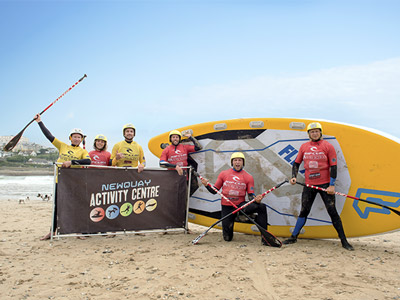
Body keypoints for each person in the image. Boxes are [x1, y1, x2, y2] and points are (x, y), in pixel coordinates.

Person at [283, 122, 354, 251]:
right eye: (312, 132)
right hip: (309, 185)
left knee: (332, 212)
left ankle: (344, 241)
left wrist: (331, 185)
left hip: (325, 185)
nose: (314, 133)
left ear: (320, 133)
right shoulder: (304, 147)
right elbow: (296, 163)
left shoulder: (328, 146)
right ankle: (293, 237)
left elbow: (333, 166)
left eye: (316, 131)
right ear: (309, 134)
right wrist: (293, 176)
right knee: (304, 211)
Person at [34, 113, 91, 240]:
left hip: (75, 182)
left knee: (76, 205)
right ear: (70, 138)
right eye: (74, 137)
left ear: (81, 139)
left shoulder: (82, 151)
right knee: (57, 206)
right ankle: (52, 232)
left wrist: (71, 163)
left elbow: (88, 161)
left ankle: (78, 231)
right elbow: (49, 136)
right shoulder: (62, 146)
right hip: (60, 181)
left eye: (79, 137)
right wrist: (39, 122)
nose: (76, 139)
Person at [200, 152, 268, 245]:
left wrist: (256, 199)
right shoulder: (224, 174)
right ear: (232, 162)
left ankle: (266, 237)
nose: (237, 162)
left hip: (240, 206)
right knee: (227, 238)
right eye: (235, 160)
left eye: (240, 160)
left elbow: (251, 195)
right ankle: (239, 218)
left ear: (243, 163)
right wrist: (206, 185)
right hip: (227, 207)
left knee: (261, 206)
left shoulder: (248, 177)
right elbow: (214, 191)